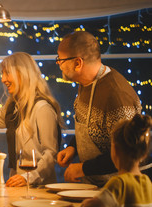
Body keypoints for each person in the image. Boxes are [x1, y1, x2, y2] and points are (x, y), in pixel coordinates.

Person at [0, 52, 65, 186]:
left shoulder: (42, 108)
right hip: (17, 185)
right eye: (2, 74)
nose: (3, 79)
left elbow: (50, 154)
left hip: (40, 188)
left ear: (23, 74)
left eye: (7, 73)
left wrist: (28, 178)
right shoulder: (13, 109)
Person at [56, 31, 142, 186]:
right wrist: (72, 147)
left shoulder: (117, 96)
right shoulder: (85, 83)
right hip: (94, 184)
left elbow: (126, 153)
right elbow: (92, 127)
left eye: (60, 60)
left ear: (78, 63)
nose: (58, 64)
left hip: (119, 189)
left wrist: (83, 168)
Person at [82, 113, 152, 207]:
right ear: (143, 154)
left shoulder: (119, 184)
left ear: (116, 149)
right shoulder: (147, 183)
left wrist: (86, 204)